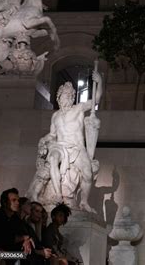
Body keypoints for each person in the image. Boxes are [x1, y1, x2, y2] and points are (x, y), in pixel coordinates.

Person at [29, 70, 102, 212]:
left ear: (72, 97)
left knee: (88, 174)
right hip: (60, 146)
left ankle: (84, 202)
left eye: (69, 96)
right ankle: (57, 194)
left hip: (77, 148)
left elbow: (96, 99)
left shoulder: (78, 109)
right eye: (63, 95)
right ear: (58, 97)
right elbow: (52, 134)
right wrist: (44, 138)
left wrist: (100, 82)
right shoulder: (55, 116)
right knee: (53, 159)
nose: (66, 98)